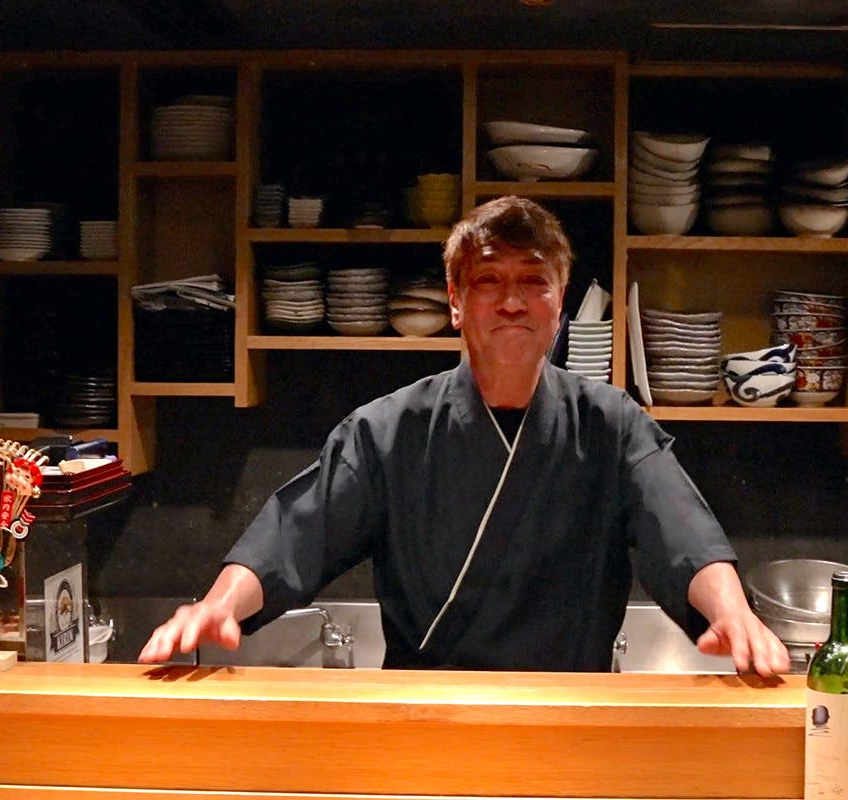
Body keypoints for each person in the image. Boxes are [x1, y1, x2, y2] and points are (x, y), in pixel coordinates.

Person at [139, 195, 789, 675]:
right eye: (488, 281)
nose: (513, 301)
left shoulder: (611, 424)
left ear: (560, 302)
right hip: (429, 717)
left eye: (533, 281)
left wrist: (731, 610)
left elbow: (680, 529)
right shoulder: (388, 431)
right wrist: (218, 604)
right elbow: (297, 532)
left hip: (568, 719)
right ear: (455, 301)